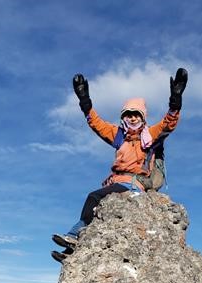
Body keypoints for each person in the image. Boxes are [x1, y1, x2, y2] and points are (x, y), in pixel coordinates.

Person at [51, 68, 188, 262]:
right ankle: (71, 252)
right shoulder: (119, 135)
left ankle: (73, 236)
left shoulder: (149, 136)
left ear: (143, 117)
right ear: (123, 117)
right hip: (116, 183)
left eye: (136, 114)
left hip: (133, 184)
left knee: (94, 197)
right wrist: (85, 101)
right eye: (128, 114)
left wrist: (176, 101)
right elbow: (97, 124)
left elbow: (168, 124)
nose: (132, 118)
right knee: (97, 213)